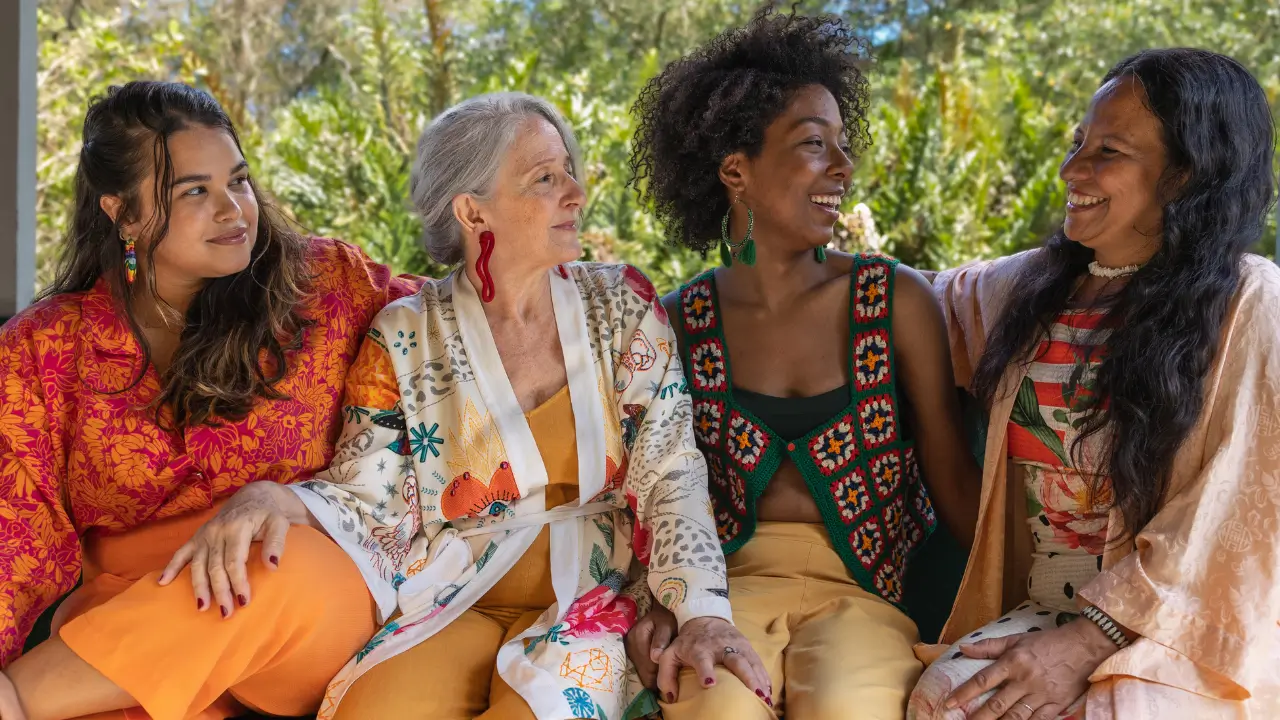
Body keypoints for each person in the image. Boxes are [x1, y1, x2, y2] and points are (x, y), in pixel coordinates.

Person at [160, 91, 768, 720]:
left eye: (569, 172)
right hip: (448, 594)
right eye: (544, 178)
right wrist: (271, 497)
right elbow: (367, 492)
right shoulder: (403, 333)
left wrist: (701, 612)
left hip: (592, 601)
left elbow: (670, 471)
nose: (576, 193)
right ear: (473, 211)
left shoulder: (623, 306)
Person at [0, 81, 421, 720]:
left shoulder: (330, 285)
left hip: (303, 612)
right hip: (131, 624)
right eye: (195, 190)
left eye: (240, 180)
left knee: (280, 562)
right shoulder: (46, 346)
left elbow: (462, 324)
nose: (234, 209)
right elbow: (13, 530)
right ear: (125, 214)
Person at [623, 10, 983, 719]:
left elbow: (952, 483)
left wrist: (1028, 610)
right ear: (735, 171)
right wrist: (658, 603)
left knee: (853, 708)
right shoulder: (675, 322)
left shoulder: (893, 301)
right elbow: (650, 488)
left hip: (864, 601)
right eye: (814, 146)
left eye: (842, 146)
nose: (842, 169)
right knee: (710, 708)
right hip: (720, 602)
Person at [909, 48, 1280, 719]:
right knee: (950, 701)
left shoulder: (1252, 302)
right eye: (1078, 142)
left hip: (1183, 628)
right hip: (1046, 608)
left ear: (1185, 175)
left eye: (1107, 151)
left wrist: (1092, 640)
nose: (1070, 169)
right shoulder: (1027, 290)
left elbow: (1240, 509)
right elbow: (904, 300)